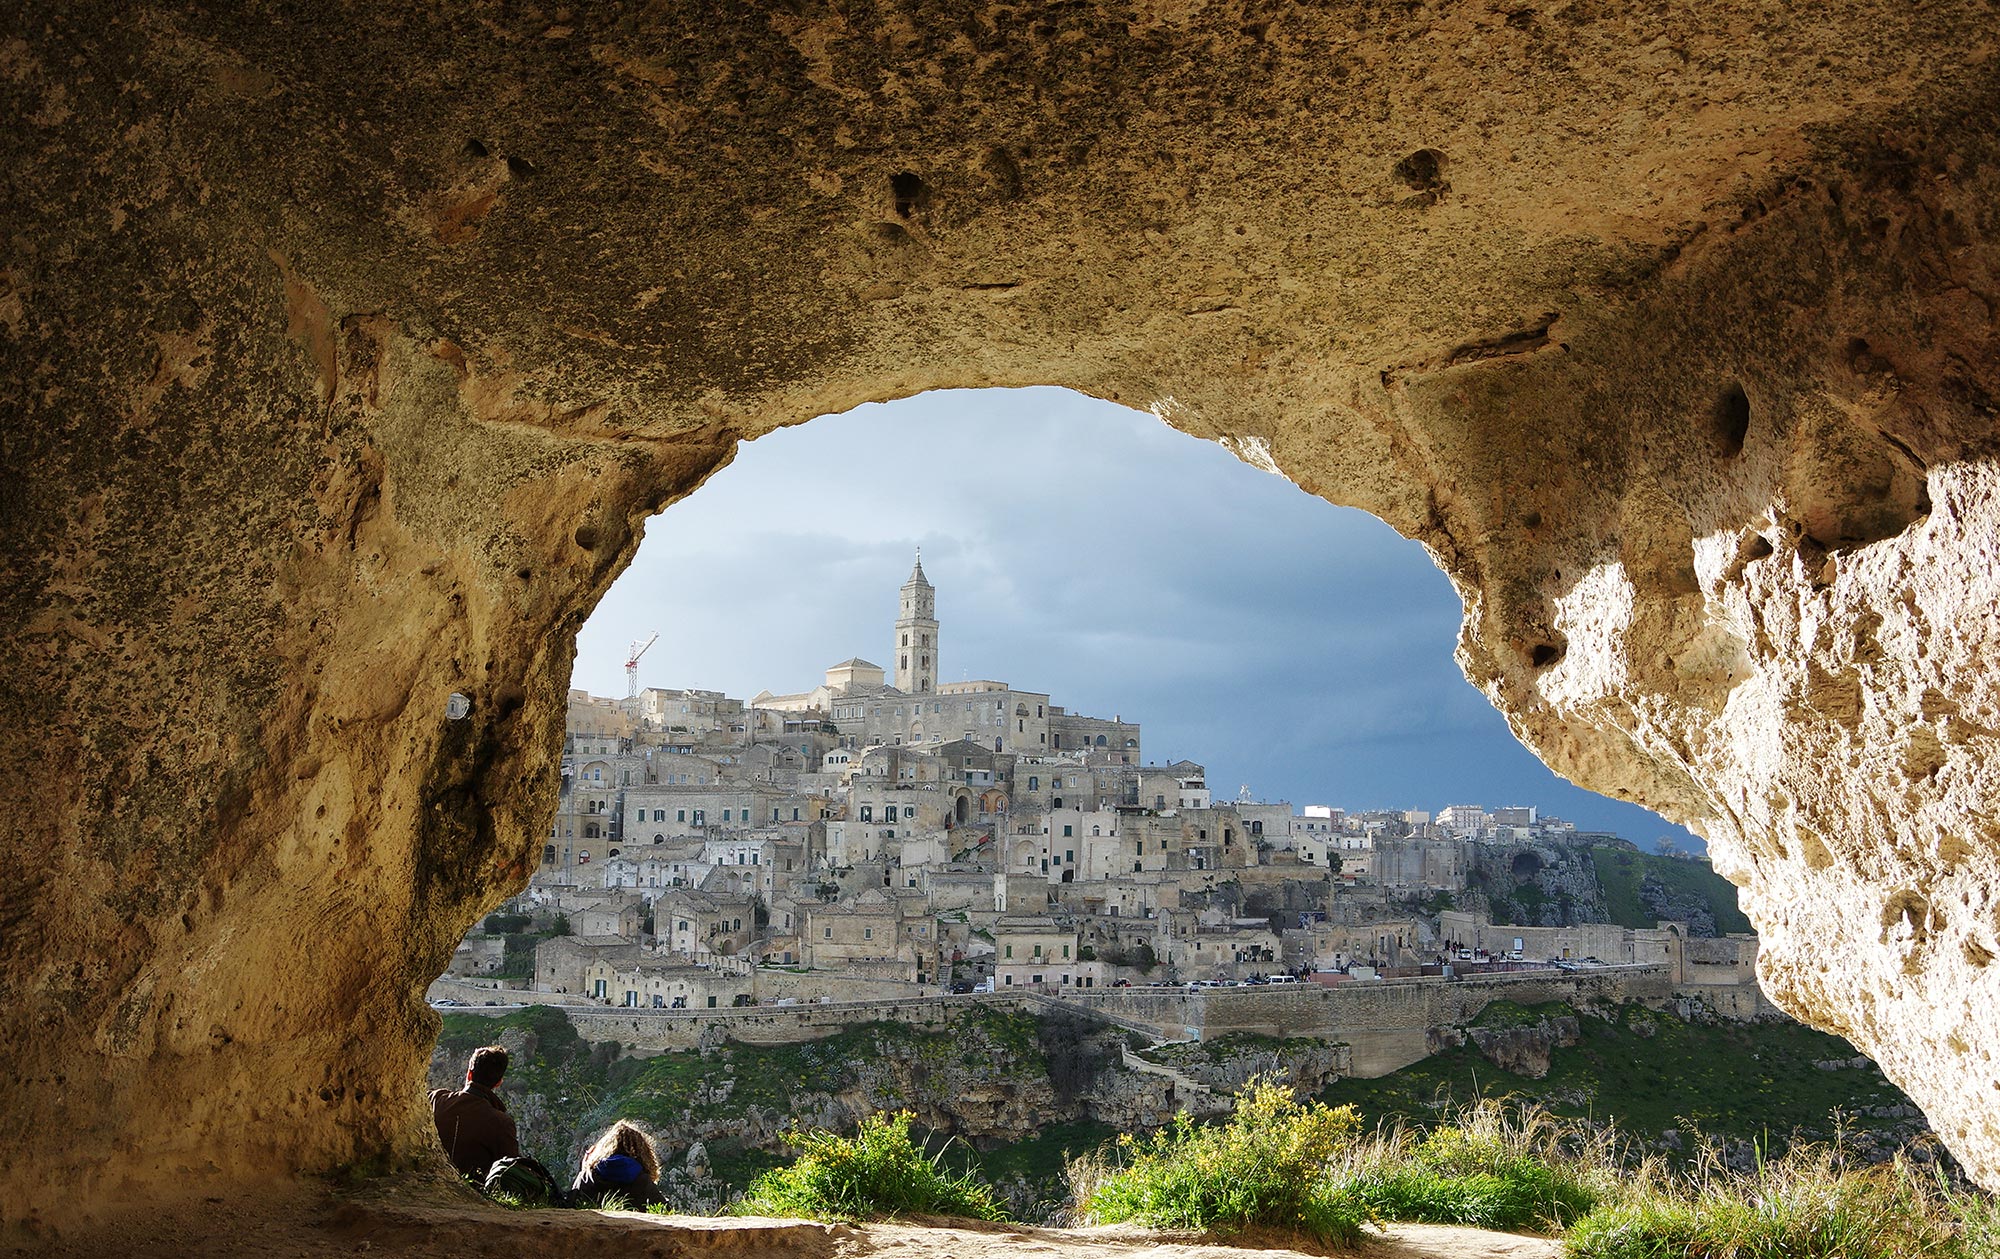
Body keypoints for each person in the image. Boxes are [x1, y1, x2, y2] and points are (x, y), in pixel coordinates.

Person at [432, 1044, 520, 1181]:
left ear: (469, 1073)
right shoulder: (502, 1123)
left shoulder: (436, 1099)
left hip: (429, 1178)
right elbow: (510, 1172)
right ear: (498, 1083)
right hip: (470, 1192)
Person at [569, 1120, 667, 1210]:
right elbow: (664, 1212)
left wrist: (584, 1169)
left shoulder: (588, 1177)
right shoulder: (642, 1181)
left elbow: (572, 1205)